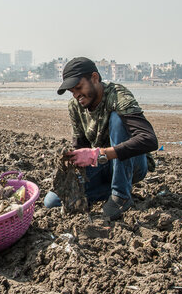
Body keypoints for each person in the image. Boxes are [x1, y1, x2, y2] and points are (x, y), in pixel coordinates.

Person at [44, 57, 158, 220]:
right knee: (52, 201)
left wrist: (99, 154)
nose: (76, 95)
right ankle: (112, 189)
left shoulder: (118, 96)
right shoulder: (75, 106)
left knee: (117, 120)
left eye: (78, 88)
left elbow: (149, 139)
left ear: (95, 78)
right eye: (72, 92)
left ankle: (121, 195)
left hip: (132, 164)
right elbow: (80, 145)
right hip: (103, 166)